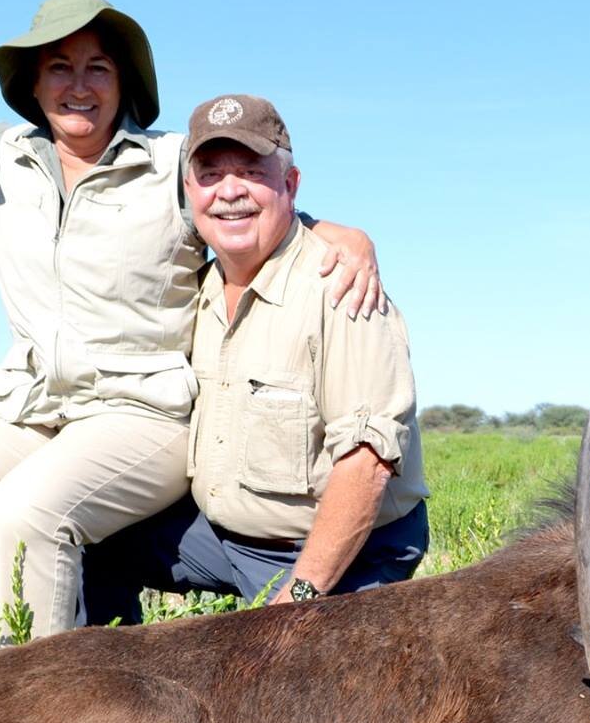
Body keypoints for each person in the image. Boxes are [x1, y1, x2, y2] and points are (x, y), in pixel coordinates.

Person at [0, 0, 383, 712]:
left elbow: (261, 208)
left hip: (142, 410)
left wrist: (352, 236)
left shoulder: (169, 164)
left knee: (28, 516)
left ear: (126, 85)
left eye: (98, 68)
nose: (79, 84)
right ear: (32, 82)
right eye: (59, 66)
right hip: (30, 404)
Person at [82, 95, 427, 623]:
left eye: (250, 171)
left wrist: (297, 601)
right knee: (89, 536)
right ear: (188, 192)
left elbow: (367, 465)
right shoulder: (190, 282)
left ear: (289, 186)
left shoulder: (342, 287)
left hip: (343, 551)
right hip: (221, 537)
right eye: (211, 173)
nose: (230, 191)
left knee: (296, 692)